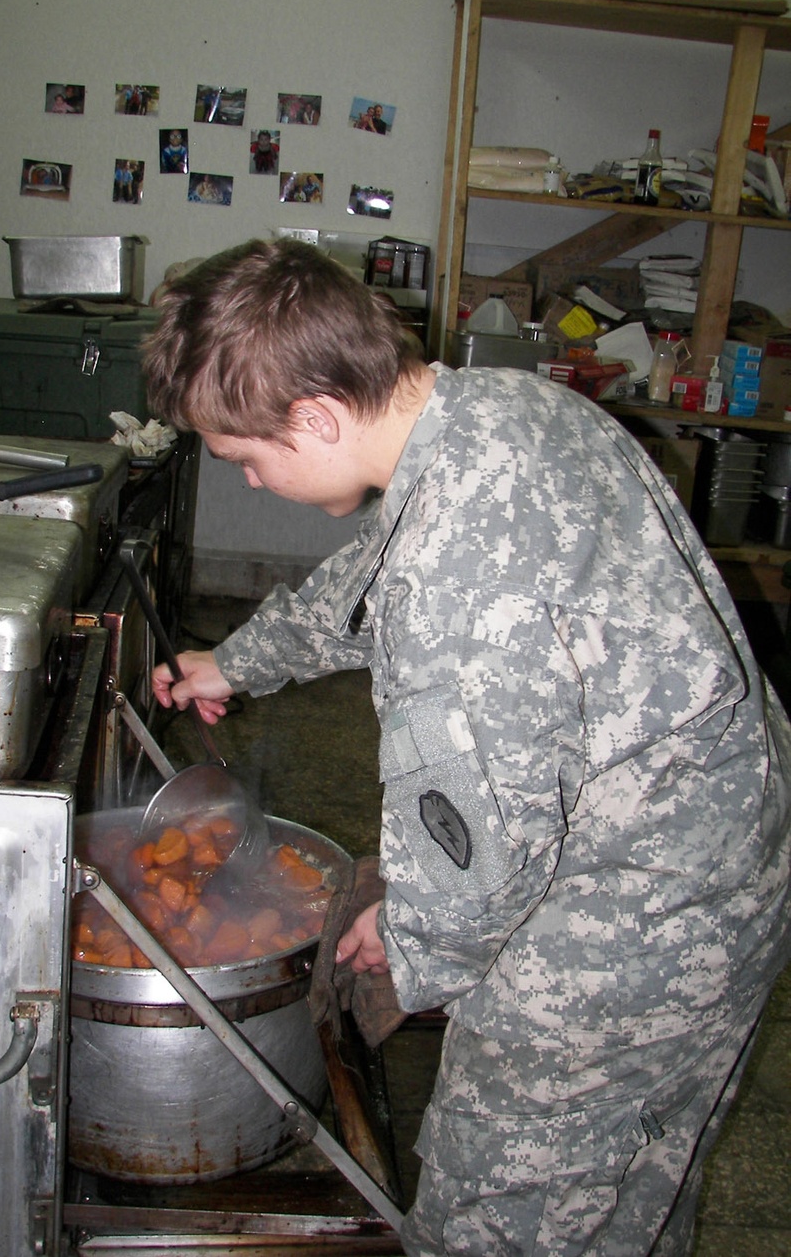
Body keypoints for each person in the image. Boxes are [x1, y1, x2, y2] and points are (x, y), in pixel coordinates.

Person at [141, 238, 791, 1257]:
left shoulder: (460, 572)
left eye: (244, 458)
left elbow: (481, 837)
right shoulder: (485, 412)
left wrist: (415, 938)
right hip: (713, 849)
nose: (253, 483)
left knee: (501, 1216)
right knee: (630, 1192)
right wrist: (237, 660)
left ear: (314, 417)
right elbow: (372, 575)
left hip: (633, 923)